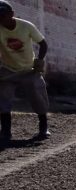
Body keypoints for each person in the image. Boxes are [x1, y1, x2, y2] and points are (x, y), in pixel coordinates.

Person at [0, 0, 50, 144]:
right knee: (3, 99)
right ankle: (5, 132)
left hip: (29, 69)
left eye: (3, 16)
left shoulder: (26, 26)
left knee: (37, 95)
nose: (1, 19)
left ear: (12, 15)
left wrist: (39, 61)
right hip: (8, 69)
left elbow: (43, 44)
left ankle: (43, 127)